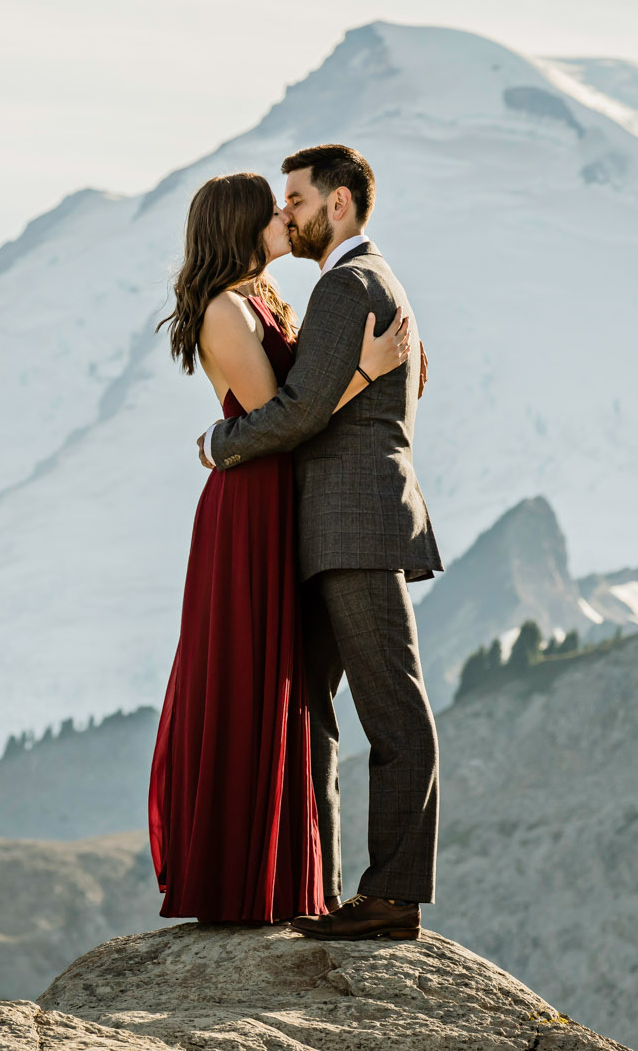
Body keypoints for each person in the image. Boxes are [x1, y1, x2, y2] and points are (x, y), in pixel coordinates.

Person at [149, 170, 413, 924]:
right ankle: (243, 882)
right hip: (250, 504)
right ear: (239, 225)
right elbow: (280, 416)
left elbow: (304, 392)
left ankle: (298, 882)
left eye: (287, 203)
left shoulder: (265, 297)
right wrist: (367, 372)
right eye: (271, 210)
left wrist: (384, 376)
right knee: (252, 681)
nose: (283, 217)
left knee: (292, 692)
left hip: (282, 500)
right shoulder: (225, 309)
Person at [198, 143, 443, 943]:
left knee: (390, 707)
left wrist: (220, 442)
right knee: (306, 710)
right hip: (335, 525)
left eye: (296, 199)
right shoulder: (366, 282)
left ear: (337, 204)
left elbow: (300, 412)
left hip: (353, 526)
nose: (287, 212)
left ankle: (392, 895)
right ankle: (320, 886)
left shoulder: (346, 284)